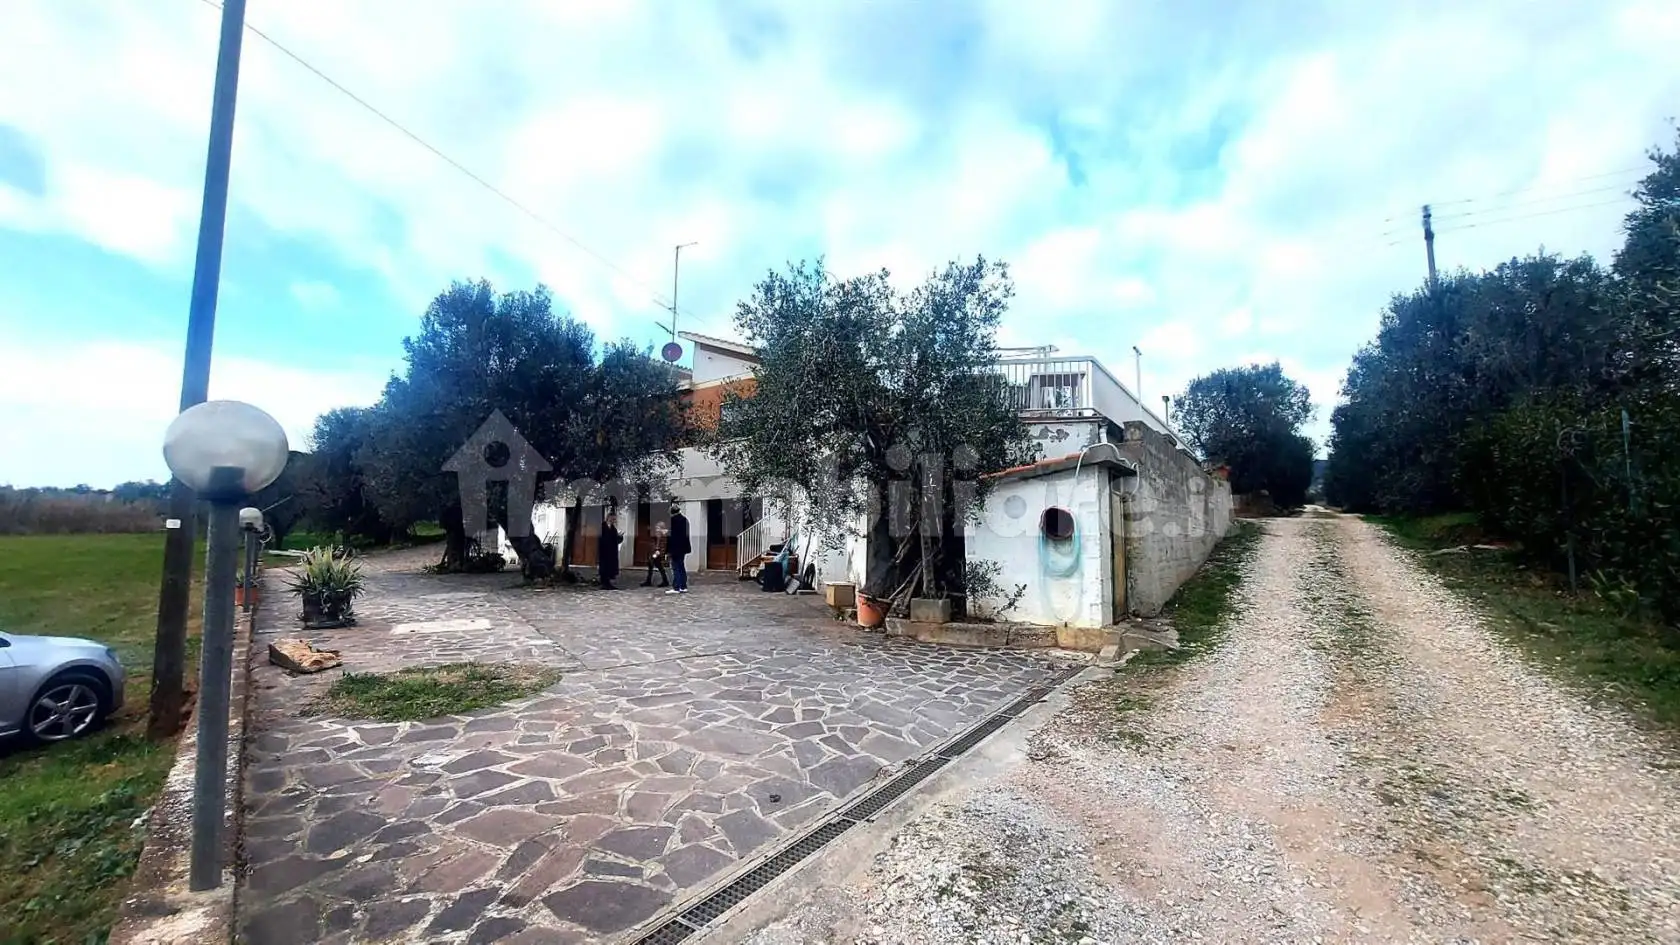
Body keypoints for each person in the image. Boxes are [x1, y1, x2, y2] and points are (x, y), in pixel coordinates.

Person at [667, 506, 691, 595]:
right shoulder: (685, 520)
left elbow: (672, 536)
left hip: (675, 548)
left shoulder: (673, 521)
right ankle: (683, 587)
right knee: (681, 566)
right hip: (683, 547)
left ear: (672, 512)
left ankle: (676, 587)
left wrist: (668, 550)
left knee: (675, 567)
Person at [597, 511, 623, 590]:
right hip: (604, 551)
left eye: (614, 519)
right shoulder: (602, 527)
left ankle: (608, 583)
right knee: (604, 567)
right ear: (609, 518)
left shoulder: (613, 528)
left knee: (610, 567)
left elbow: (616, 540)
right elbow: (600, 539)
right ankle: (604, 583)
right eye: (613, 518)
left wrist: (620, 537)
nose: (614, 520)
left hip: (611, 551)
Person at [640, 522, 670, 588]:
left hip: (657, 553)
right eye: (656, 528)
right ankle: (649, 580)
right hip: (655, 552)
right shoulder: (659, 534)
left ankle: (664, 581)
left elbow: (661, 545)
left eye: (658, 528)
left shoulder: (662, 535)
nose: (656, 529)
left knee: (658, 566)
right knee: (651, 565)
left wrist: (658, 552)